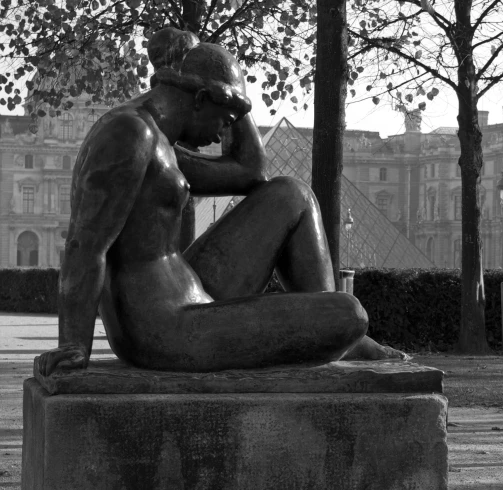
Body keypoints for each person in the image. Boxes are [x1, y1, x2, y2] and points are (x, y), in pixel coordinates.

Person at [37, 30, 403, 376]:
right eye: (226, 120)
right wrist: (73, 346)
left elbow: (251, 173)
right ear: (199, 99)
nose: (222, 133)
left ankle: (345, 343)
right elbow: (84, 242)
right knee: (348, 313)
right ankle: (344, 338)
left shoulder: (158, 142)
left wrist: (215, 76)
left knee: (293, 195)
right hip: (163, 329)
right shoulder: (129, 134)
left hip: (189, 297)